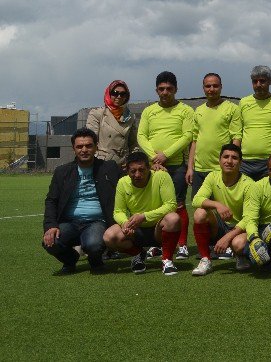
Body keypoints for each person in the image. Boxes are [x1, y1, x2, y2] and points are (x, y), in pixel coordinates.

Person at [42, 129, 122, 274]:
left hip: (97, 222)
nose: (84, 150)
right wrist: (50, 226)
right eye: (79, 146)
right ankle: (70, 260)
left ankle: (96, 261)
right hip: (69, 222)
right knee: (50, 242)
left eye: (88, 146)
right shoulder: (62, 172)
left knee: (93, 244)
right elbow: (51, 201)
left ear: (96, 147)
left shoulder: (109, 168)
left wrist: (153, 170)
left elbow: (132, 178)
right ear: (74, 149)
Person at [137, 70, 195, 259]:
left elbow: (187, 136)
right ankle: (162, 244)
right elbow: (141, 136)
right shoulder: (149, 111)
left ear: (176, 89)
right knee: (158, 205)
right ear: (156, 90)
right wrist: (154, 157)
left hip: (176, 165)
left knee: (178, 204)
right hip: (153, 167)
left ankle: (183, 245)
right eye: (161, 89)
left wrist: (167, 154)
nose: (165, 92)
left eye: (169, 88)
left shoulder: (185, 110)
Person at [103, 152, 182, 275]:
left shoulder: (161, 176)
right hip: (136, 231)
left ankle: (167, 260)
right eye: (133, 171)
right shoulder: (122, 182)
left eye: (142, 170)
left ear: (149, 167)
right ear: (127, 170)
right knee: (109, 236)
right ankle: (137, 254)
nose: (137, 174)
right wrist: (124, 223)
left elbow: (171, 205)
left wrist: (144, 216)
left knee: (173, 218)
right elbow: (118, 211)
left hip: (159, 228)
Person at [190, 143, 254, 275]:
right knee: (200, 213)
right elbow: (196, 200)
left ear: (240, 162)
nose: (229, 161)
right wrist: (217, 205)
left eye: (234, 158)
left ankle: (240, 255)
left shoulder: (249, 184)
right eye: (226, 157)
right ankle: (205, 259)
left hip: (240, 229)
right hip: (219, 226)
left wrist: (227, 238)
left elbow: (249, 219)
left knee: (238, 244)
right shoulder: (212, 177)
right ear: (219, 161)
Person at [187, 73, 241, 206]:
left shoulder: (232, 109)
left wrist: (233, 164)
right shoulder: (198, 111)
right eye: (208, 86)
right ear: (203, 88)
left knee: (224, 210)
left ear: (221, 87)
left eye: (215, 86)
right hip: (200, 169)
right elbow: (194, 141)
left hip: (221, 170)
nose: (211, 89)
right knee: (200, 209)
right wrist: (190, 167)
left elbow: (236, 138)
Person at [237, 65, 271, 180]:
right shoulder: (243, 103)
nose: (258, 84)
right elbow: (238, 133)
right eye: (255, 81)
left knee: (269, 197)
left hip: (269, 163)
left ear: (270, 81)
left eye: (262, 81)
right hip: (245, 163)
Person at [86, 80, 138, 166]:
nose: (119, 96)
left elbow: (133, 144)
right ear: (109, 94)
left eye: (123, 94)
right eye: (115, 93)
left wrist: (132, 161)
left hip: (124, 165)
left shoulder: (131, 117)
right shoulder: (97, 113)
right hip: (102, 163)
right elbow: (90, 141)